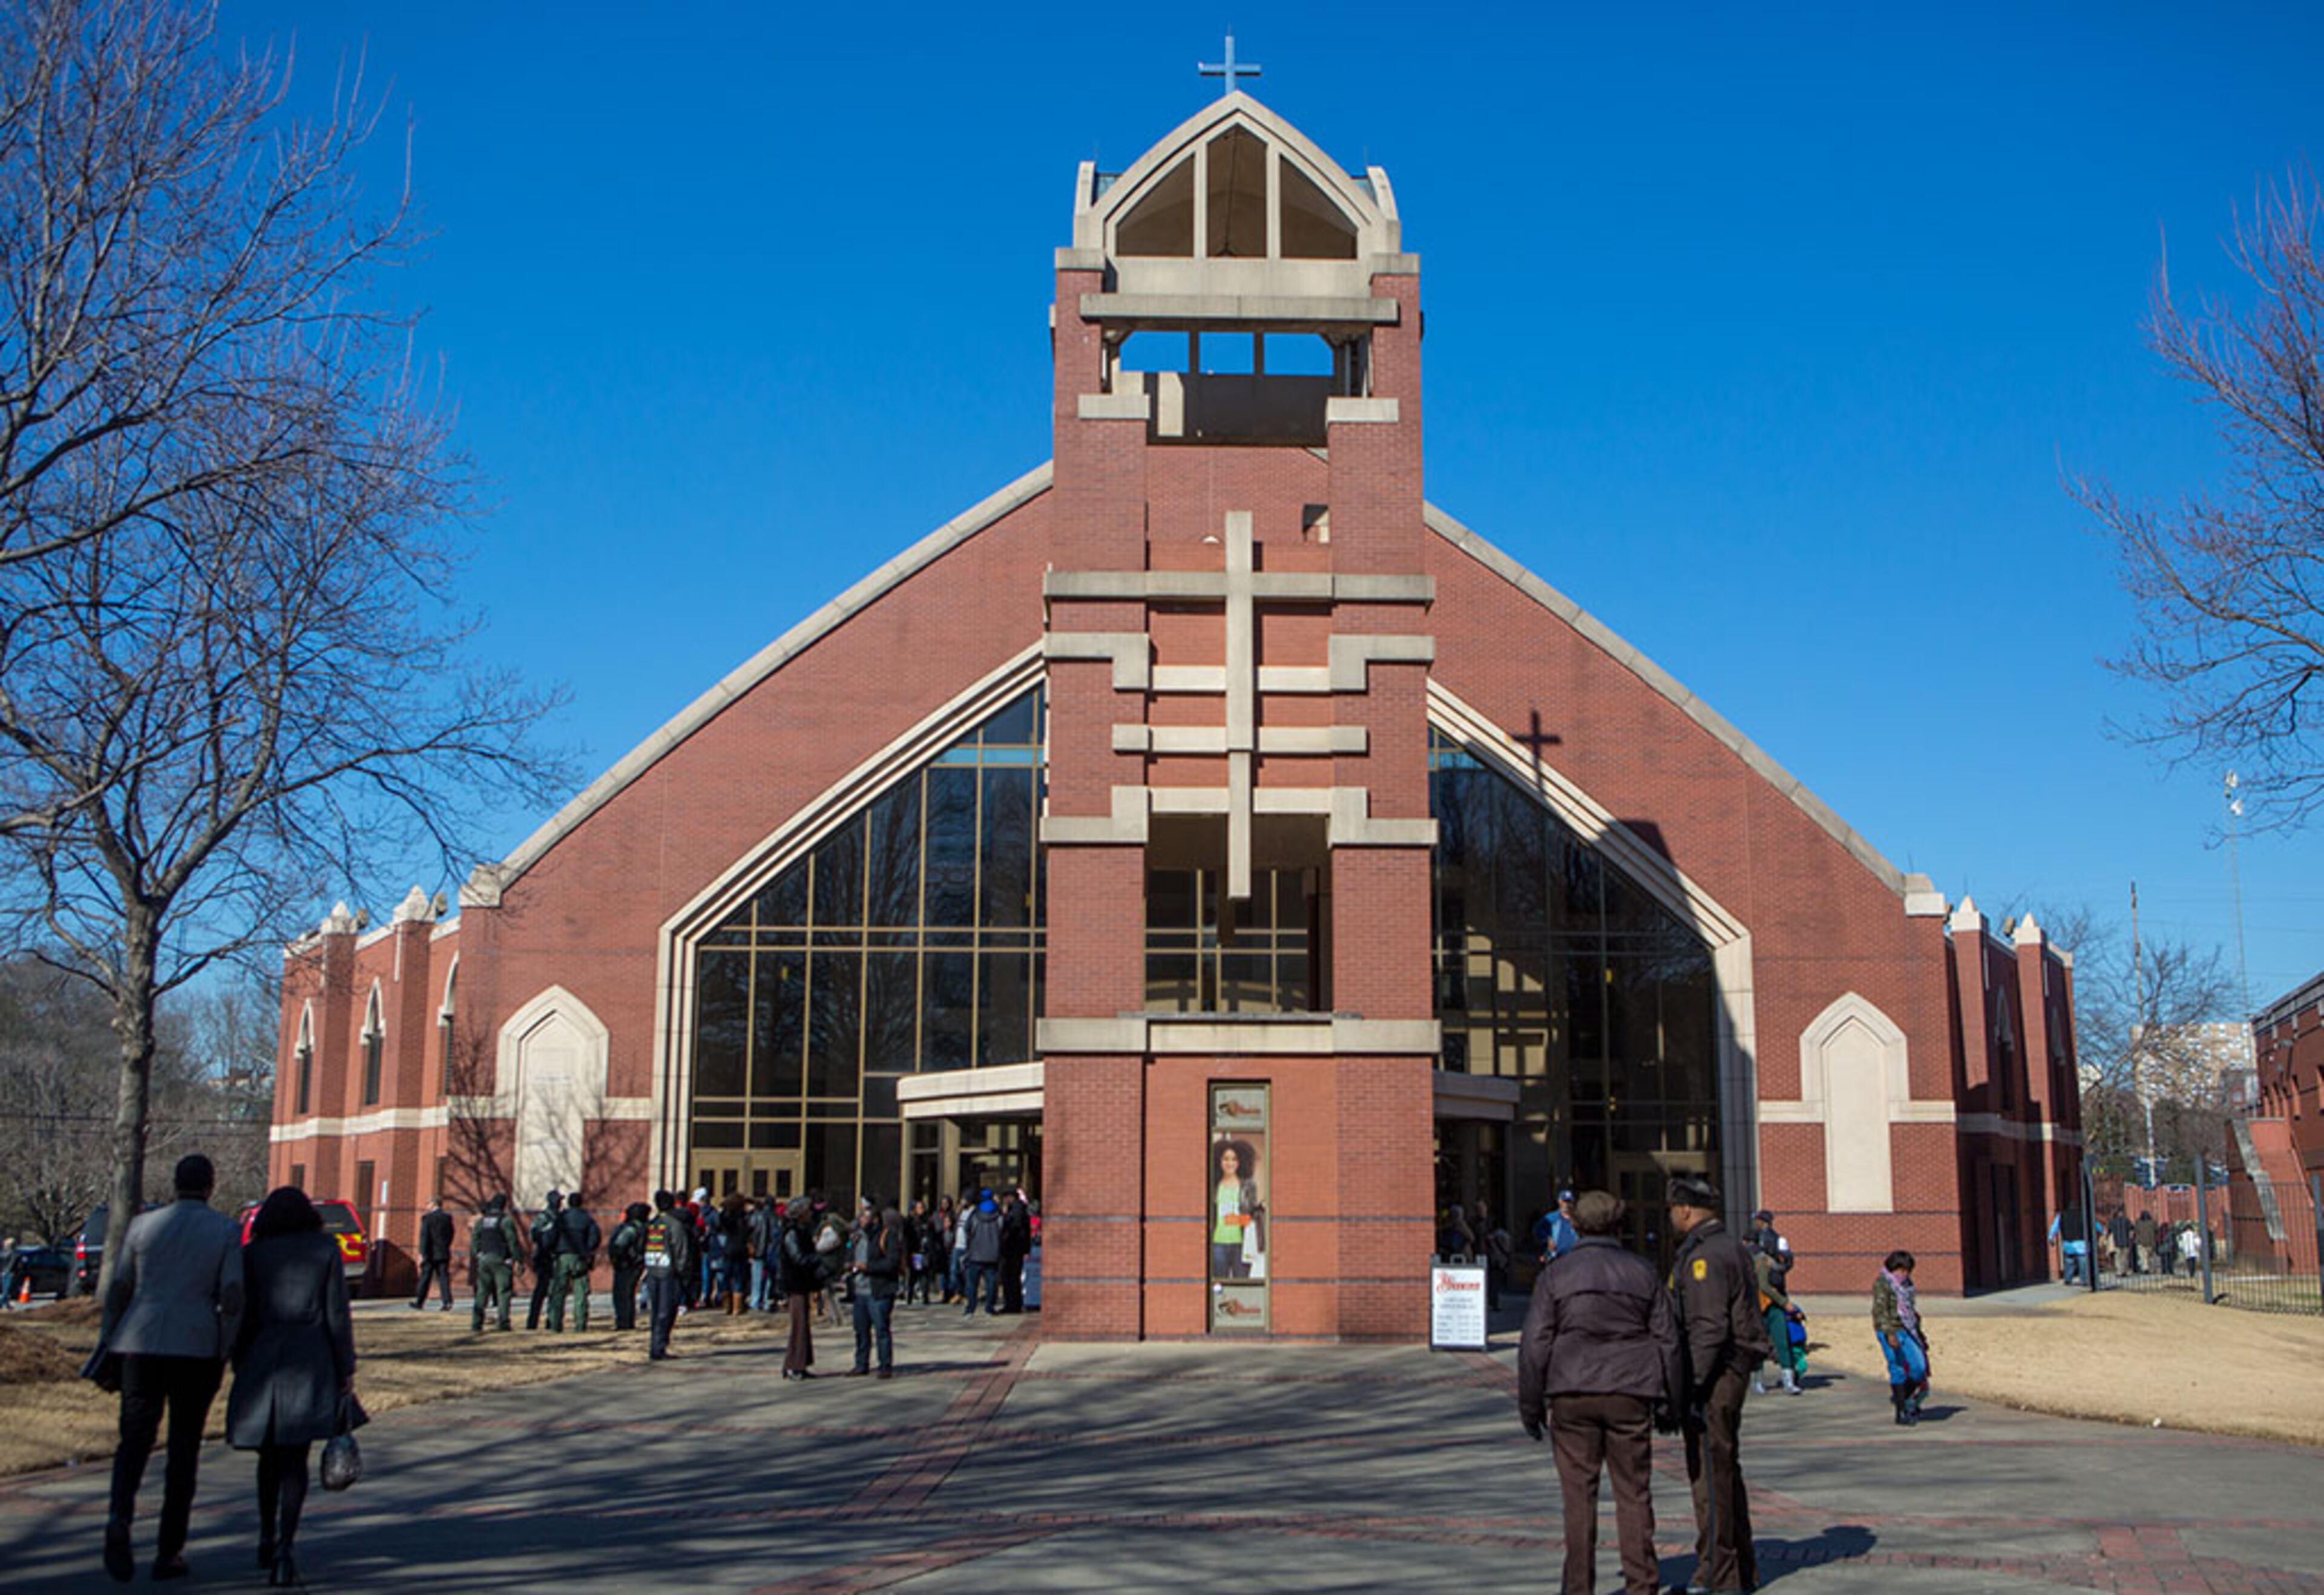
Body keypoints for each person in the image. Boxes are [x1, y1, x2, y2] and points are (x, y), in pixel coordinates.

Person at [1517, 1190, 1681, 1595]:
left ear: (1575, 1225)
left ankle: (1578, 1588)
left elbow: (1534, 1343)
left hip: (1572, 1390)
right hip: (1629, 1390)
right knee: (1634, 1493)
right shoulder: (1643, 1272)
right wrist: (1672, 1403)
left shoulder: (1557, 1274)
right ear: (1619, 1226)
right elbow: (1669, 1341)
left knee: (1578, 1499)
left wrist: (1531, 1404)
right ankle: (1643, 1585)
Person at [100, 1153, 245, 1584]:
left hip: (141, 1343)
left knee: (134, 1440)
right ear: (210, 1186)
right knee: (184, 1449)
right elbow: (233, 1292)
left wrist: (110, 1337)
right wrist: (227, 1342)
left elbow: (120, 1286)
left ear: (174, 1183)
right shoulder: (224, 1231)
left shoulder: (143, 1226)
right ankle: (169, 1549)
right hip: (196, 1346)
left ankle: (119, 1516)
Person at [228, 1186, 359, 1588]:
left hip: (262, 1356)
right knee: (294, 1459)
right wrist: (345, 1366)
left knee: (267, 1458)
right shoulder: (324, 1251)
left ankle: (267, 1536)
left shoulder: (252, 1254)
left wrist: (238, 1359)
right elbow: (337, 1313)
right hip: (310, 1355)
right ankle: (286, 1544)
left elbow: (241, 1314)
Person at [1667, 1173, 1768, 1595]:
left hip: (1716, 1375)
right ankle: (1741, 1569)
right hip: (1730, 1370)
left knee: (1711, 1477)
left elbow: (1708, 1326)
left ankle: (1717, 1574)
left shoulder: (1707, 1256)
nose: (1672, 1216)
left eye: (1673, 1209)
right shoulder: (1728, 1247)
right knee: (1725, 1470)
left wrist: (1690, 1385)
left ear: (1686, 1210)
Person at [1873, 1248, 1931, 1426]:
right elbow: (1881, 1312)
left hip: (1908, 1329)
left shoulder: (1907, 1285)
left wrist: (1920, 1333)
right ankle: (1901, 1412)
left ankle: (1903, 1397)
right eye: (1901, 1270)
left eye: (1907, 1271)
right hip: (1890, 1329)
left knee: (1919, 1367)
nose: (1904, 1275)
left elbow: (1911, 1311)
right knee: (1897, 1367)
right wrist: (1890, 1333)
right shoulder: (1883, 1283)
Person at [850, 1202, 905, 1377]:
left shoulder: (887, 1236)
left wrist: (868, 1267)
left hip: (879, 1290)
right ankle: (861, 1363)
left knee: (881, 1328)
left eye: (866, 1217)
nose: (861, 1220)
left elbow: (891, 1263)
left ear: (875, 1220)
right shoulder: (857, 1236)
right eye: (861, 1216)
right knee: (860, 1330)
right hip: (860, 1290)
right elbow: (849, 1253)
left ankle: (885, 1365)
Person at [642, 1190, 694, 1361]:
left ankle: (656, 1344)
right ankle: (658, 1347)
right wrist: (684, 1273)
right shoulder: (674, 1225)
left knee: (657, 1311)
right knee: (665, 1311)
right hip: (668, 1274)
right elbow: (682, 1252)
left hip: (653, 1270)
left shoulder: (653, 1224)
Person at [1750, 1238, 1805, 1396]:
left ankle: (1789, 1380)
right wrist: (1784, 1302)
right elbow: (1764, 1286)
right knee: (1760, 1346)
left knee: (1783, 1342)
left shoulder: (1778, 1268)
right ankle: (1757, 1380)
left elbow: (1780, 1288)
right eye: (1781, 1255)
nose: (1784, 1259)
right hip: (1761, 1308)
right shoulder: (1763, 1263)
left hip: (1777, 1309)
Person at [777, 1196, 820, 1380]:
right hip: (795, 1283)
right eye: (808, 1211)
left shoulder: (802, 1232)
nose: (811, 1214)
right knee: (799, 1325)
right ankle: (793, 1365)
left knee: (803, 1324)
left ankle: (800, 1363)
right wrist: (818, 1259)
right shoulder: (792, 1233)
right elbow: (798, 1258)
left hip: (801, 1283)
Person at [547, 1192, 601, 1332]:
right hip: (581, 1258)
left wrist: (551, 1249)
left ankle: (555, 1324)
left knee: (559, 1292)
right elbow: (595, 1238)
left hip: (563, 1257)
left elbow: (551, 1237)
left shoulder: (561, 1219)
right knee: (581, 1293)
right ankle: (580, 1324)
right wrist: (588, 1251)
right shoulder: (587, 1219)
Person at [469, 1195, 522, 1332]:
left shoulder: (482, 1221)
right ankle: (503, 1322)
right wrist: (517, 1259)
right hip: (501, 1260)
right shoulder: (506, 1221)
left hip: (484, 1260)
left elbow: (475, 1240)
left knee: (482, 1292)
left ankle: (476, 1323)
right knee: (503, 1292)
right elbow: (513, 1242)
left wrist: (479, 1255)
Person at [1212, 1143, 1263, 1280]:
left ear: (1241, 1162)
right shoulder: (1213, 1185)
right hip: (1217, 1244)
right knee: (1219, 1284)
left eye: (1234, 1159)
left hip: (1242, 1245)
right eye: (1226, 1159)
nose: (1230, 1163)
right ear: (1219, 1161)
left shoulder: (1248, 1186)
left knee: (1241, 1282)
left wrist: (1235, 1220)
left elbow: (1250, 1217)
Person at [608, 1202, 649, 1331]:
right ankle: (627, 1320)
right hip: (636, 1264)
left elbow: (620, 1246)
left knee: (622, 1294)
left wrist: (617, 1258)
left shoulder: (630, 1229)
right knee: (629, 1294)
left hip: (626, 1265)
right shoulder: (645, 1228)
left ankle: (623, 1321)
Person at [962, 1190, 1005, 1313]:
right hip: (993, 1254)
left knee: (972, 1284)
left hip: (976, 1253)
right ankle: (989, 1307)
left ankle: (971, 1307)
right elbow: (1002, 1230)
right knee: (991, 1283)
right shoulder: (998, 1214)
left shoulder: (975, 1214)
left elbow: (967, 1229)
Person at [525, 1191, 562, 1329]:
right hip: (545, 1257)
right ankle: (533, 1321)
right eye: (558, 1200)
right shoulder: (543, 1217)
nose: (559, 1203)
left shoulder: (559, 1217)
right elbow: (534, 1236)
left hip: (554, 1257)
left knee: (554, 1291)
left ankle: (551, 1321)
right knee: (542, 1291)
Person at [411, 1197, 456, 1311]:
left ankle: (420, 1302)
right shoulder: (447, 1218)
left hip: (430, 1253)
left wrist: (422, 1253)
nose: (427, 1206)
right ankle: (447, 1302)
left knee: (425, 1277)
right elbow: (451, 1234)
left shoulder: (427, 1218)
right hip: (443, 1252)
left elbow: (425, 1237)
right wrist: (446, 1246)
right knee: (443, 1278)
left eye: (428, 1203)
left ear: (434, 1204)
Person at [999, 1188, 1033, 1313]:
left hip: (1013, 1249)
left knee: (1011, 1277)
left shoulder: (1016, 1210)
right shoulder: (1019, 1209)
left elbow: (1014, 1227)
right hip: (1016, 1248)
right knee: (1011, 1277)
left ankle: (1012, 1305)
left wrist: (1005, 1216)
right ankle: (1013, 1304)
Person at [719, 1193, 751, 1314]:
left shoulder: (727, 1218)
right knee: (739, 1278)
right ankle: (737, 1307)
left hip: (729, 1249)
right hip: (741, 1250)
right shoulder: (744, 1219)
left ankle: (727, 1306)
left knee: (726, 1277)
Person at [2049, 1204, 2090, 1286]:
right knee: (2083, 1262)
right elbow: (2094, 1225)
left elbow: (2055, 1227)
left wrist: (2051, 1237)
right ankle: (2084, 1280)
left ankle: (2068, 1279)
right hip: (2081, 1242)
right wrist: (2102, 1232)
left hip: (2068, 1242)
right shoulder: (2083, 1215)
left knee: (2069, 1262)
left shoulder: (2062, 1216)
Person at [1535, 1190, 1580, 1262]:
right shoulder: (1551, 1218)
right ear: (1560, 1202)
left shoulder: (1577, 1219)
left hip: (1574, 1258)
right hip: (1556, 1259)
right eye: (1565, 1201)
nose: (1567, 1204)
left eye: (1569, 1202)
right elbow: (1538, 1230)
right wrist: (1547, 1239)